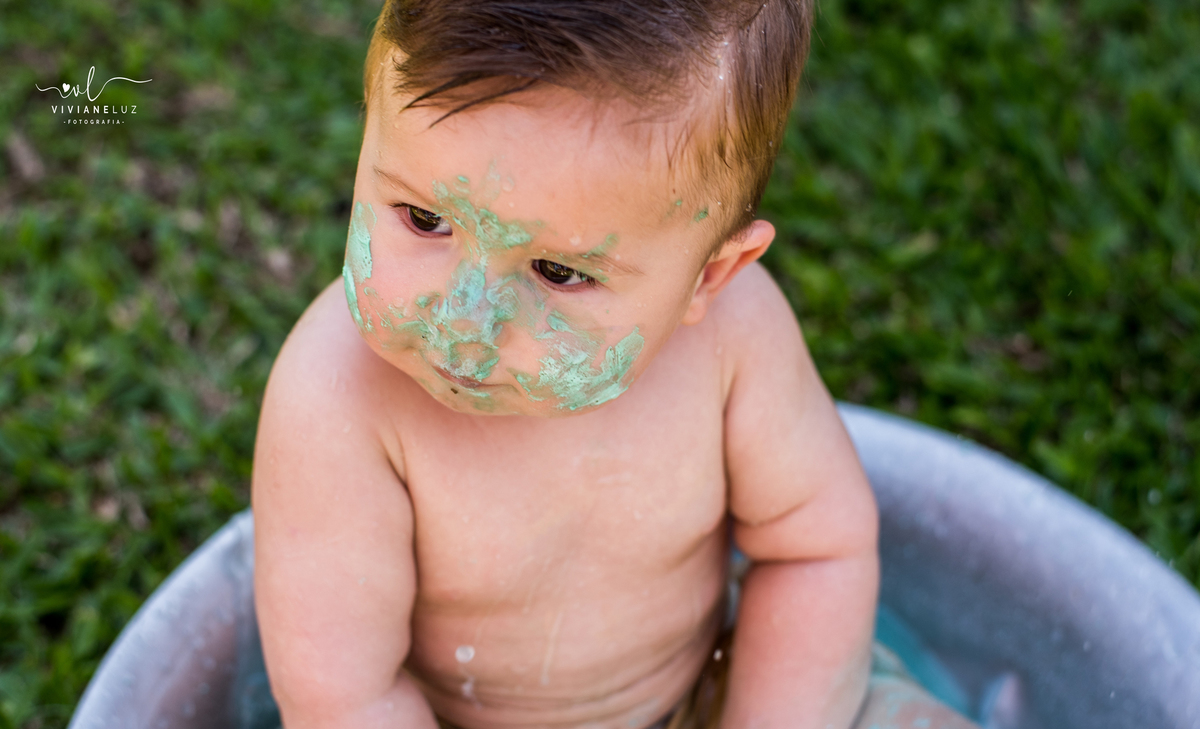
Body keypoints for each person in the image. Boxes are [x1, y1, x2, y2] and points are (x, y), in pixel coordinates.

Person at [251, 1, 981, 728]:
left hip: (729, 690)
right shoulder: (340, 401)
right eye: (424, 219)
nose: (464, 328)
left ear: (710, 276)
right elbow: (345, 699)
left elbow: (815, 550)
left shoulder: (735, 338)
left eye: (558, 272)